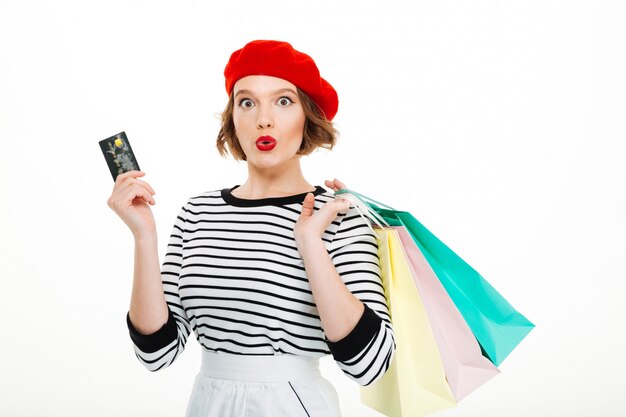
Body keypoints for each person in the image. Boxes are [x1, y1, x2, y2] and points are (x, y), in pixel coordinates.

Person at [107, 40, 395, 417]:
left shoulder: (338, 213)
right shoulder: (198, 212)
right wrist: (144, 236)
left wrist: (311, 243)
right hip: (208, 405)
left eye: (283, 101)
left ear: (307, 117)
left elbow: (370, 365)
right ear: (233, 120)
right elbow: (156, 354)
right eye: (247, 102)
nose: (264, 119)